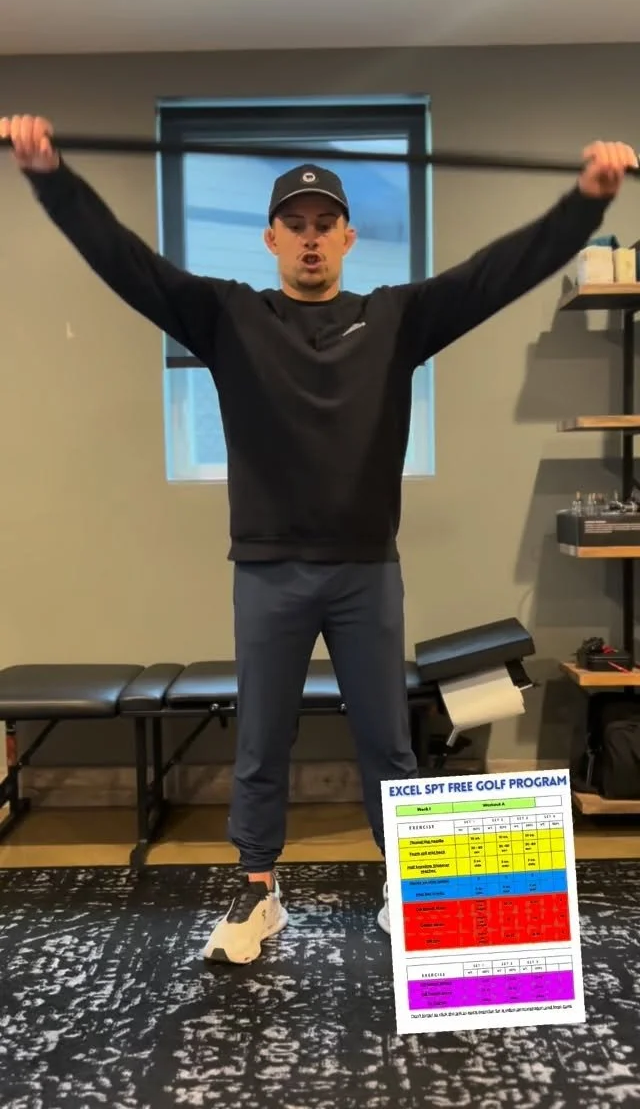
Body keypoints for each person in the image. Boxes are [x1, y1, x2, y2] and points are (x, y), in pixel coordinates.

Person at [1, 116, 637, 964]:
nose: (310, 238)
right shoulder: (227, 316)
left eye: (324, 223)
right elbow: (125, 263)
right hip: (269, 571)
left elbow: (496, 274)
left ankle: (408, 885)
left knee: (388, 741)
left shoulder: (397, 318)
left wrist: (585, 201)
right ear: (271, 238)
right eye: (294, 224)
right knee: (262, 737)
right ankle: (258, 891)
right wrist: (50, 176)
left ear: (347, 237)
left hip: (365, 571)